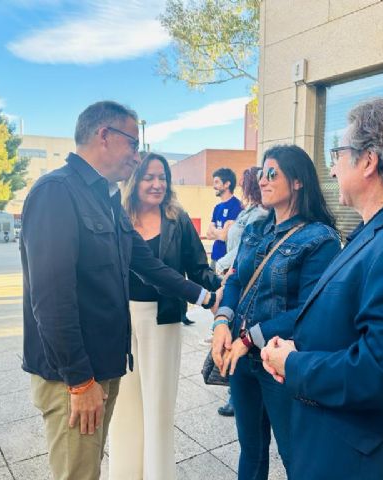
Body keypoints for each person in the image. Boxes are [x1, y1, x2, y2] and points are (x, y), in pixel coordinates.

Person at [261, 98, 383, 480]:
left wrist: (294, 363)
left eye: (338, 154)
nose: (332, 169)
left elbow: (379, 371)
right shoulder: (382, 229)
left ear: (368, 161)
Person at [20, 101, 218, 480]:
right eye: (133, 143)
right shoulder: (56, 193)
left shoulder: (106, 198)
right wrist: (79, 381)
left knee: (90, 469)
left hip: (102, 369)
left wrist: (207, 296)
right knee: (77, 473)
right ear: (104, 136)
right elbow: (50, 299)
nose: (137, 155)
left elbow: (146, 263)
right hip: (74, 378)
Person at [212, 145, 341, 479]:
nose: (263, 181)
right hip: (242, 359)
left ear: (297, 181)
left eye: (272, 174)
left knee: (294, 454)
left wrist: (248, 338)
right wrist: (223, 322)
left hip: (280, 363)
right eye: (260, 174)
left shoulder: (320, 239)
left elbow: (307, 311)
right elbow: (237, 280)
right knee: (251, 450)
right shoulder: (257, 229)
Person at [108, 152, 222, 480]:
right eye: (149, 177)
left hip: (163, 319)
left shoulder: (177, 218)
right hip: (121, 319)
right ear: (134, 180)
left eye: (162, 177)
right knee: (125, 406)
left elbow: (198, 267)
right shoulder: (117, 217)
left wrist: (219, 288)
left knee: (157, 407)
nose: (157, 184)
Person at [215, 166, 268, 417]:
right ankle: (234, 391)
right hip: (234, 278)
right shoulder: (249, 212)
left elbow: (242, 249)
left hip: (247, 284)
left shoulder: (260, 216)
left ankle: (236, 394)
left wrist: (224, 265)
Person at [206, 167, 242, 268]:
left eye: (217, 182)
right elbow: (209, 234)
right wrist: (221, 232)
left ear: (227, 184)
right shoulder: (217, 208)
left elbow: (224, 236)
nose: (214, 186)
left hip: (227, 260)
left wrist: (216, 232)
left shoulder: (237, 206)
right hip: (215, 257)